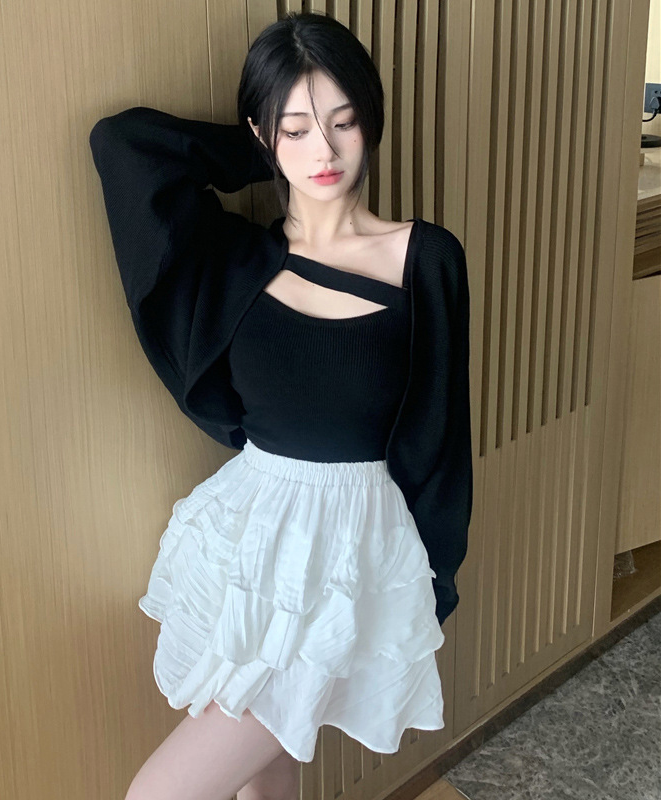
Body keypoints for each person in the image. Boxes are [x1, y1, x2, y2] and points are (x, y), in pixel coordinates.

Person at [89, 11, 473, 800]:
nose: (324, 152)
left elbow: (440, 436)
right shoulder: (238, 259)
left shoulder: (423, 257)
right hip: (253, 542)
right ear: (263, 135)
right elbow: (123, 145)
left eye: (343, 123)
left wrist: (433, 579)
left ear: (371, 122)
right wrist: (265, 147)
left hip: (351, 559)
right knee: (266, 782)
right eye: (297, 130)